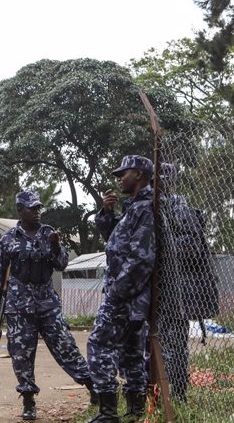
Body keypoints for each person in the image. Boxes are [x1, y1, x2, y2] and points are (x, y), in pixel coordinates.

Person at [0, 190, 96, 421]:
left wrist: (56, 247)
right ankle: (28, 400)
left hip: (47, 301)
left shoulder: (49, 234)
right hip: (18, 304)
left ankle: (92, 387)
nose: (36, 212)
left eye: (38, 208)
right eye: (31, 208)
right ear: (19, 210)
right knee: (22, 354)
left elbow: (62, 264)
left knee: (65, 345)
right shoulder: (8, 238)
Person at [87, 155, 155, 423]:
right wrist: (106, 213)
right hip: (130, 296)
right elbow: (115, 239)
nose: (119, 179)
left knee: (99, 345)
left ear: (138, 174)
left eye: (123, 173)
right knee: (130, 353)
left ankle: (107, 412)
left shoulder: (145, 208)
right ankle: (136, 410)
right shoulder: (133, 207)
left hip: (126, 295)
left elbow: (141, 258)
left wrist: (117, 292)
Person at [157, 163, 218, 401]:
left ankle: (178, 393)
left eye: (165, 176)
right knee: (155, 342)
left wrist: (160, 251)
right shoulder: (152, 206)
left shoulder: (180, 208)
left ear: (172, 181)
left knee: (175, 345)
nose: (160, 180)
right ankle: (158, 389)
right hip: (158, 289)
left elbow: (191, 249)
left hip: (175, 290)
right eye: (156, 176)